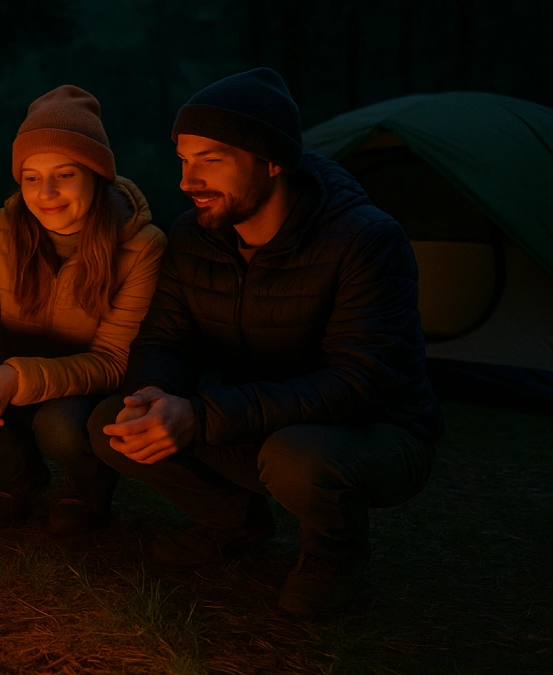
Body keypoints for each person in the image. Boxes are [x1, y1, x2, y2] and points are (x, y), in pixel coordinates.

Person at [89, 68, 444, 616]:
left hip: (375, 433)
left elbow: (361, 383)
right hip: (258, 418)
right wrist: (155, 396)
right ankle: (233, 524)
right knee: (112, 421)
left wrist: (202, 416)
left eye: (210, 159)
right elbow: (167, 338)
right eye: (184, 160)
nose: (187, 180)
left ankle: (333, 555)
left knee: (296, 455)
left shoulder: (366, 240)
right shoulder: (194, 237)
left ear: (272, 160)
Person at [0, 85, 166, 535]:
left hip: (85, 391)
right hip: (4, 378)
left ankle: (85, 490)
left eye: (65, 174)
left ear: (96, 176)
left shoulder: (141, 246)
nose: (46, 192)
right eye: (31, 177)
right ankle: (16, 482)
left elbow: (114, 360)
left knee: (61, 425)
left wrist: (15, 377)